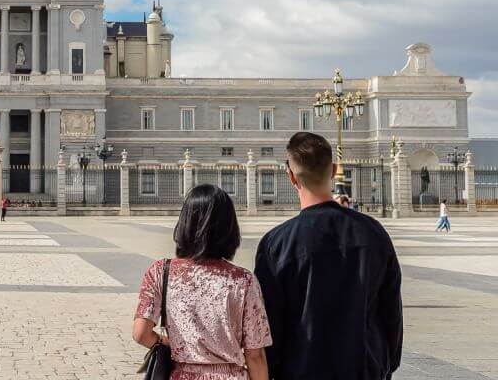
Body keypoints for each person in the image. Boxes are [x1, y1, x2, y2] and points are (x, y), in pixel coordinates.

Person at [255, 132, 402, 380]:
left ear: (290, 176)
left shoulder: (276, 244)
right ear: (333, 170)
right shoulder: (373, 232)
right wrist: (386, 363)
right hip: (365, 367)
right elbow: (390, 311)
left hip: (301, 369)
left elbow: (270, 324)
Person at [132, 184, 271, 380]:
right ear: (229, 228)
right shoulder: (243, 280)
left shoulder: (161, 271)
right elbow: (255, 355)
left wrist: (173, 344)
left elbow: (141, 333)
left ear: (185, 223)